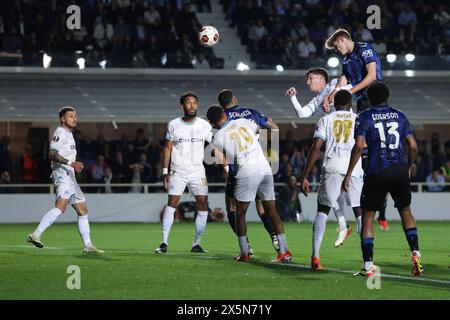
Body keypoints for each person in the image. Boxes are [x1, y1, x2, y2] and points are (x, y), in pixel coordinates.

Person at [342, 81, 423, 277]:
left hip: (378, 171)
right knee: (406, 211)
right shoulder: (399, 114)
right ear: (387, 96)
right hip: (399, 169)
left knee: (368, 216)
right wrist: (410, 166)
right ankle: (415, 253)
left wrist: (349, 172)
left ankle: (368, 265)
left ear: (368, 98)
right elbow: (412, 145)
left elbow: (360, 146)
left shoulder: (364, 116)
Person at [206, 105, 292, 263]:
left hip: (247, 170)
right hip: (265, 167)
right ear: (225, 114)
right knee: (271, 210)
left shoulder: (217, 138)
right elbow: (262, 129)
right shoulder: (243, 122)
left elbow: (220, 157)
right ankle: (284, 251)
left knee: (240, 212)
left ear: (212, 122)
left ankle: (245, 252)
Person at [285, 67, 357, 246]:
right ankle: (342, 225)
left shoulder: (334, 84)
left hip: (348, 139)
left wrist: (331, 95)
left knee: (353, 199)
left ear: (321, 78)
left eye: (310, 78)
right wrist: (293, 97)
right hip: (336, 144)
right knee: (334, 190)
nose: (308, 82)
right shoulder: (317, 99)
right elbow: (302, 113)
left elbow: (346, 83)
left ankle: (366, 244)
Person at [26, 106, 103, 253]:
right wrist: (71, 163)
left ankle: (88, 246)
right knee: (61, 207)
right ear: (63, 119)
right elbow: (51, 154)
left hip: (70, 175)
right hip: (62, 173)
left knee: (83, 210)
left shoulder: (69, 134)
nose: (74, 118)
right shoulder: (60, 132)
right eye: (71, 116)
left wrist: (73, 165)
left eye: (75, 116)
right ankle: (35, 234)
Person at [300, 90, 363, 270]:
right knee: (360, 213)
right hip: (355, 170)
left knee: (322, 212)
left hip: (332, 169)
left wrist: (304, 175)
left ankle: (316, 256)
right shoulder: (358, 119)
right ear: (350, 103)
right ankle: (368, 260)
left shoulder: (325, 120)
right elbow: (363, 145)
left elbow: (316, 148)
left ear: (335, 103)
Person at [217, 89, 280, 256]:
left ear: (221, 106)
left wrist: (225, 166)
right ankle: (276, 239)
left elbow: (219, 149)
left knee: (233, 209)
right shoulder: (251, 113)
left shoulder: (223, 119)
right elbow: (274, 128)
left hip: (237, 169)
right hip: (259, 164)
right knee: (263, 208)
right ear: (235, 99)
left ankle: (246, 248)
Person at [155, 92, 213, 254]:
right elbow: (167, 148)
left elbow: (215, 143)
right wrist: (165, 171)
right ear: (182, 106)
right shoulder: (173, 124)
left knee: (203, 204)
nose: (192, 106)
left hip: (198, 171)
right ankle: (163, 243)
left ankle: (196, 244)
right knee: (172, 203)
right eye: (189, 103)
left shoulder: (204, 125)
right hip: (177, 171)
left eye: (195, 103)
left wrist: (226, 165)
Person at [323, 28, 383, 113]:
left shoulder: (364, 48)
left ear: (342, 39)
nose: (336, 50)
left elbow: (372, 76)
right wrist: (330, 97)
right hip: (362, 100)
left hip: (375, 97)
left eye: (335, 46)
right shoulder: (346, 61)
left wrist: (350, 91)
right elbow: (341, 83)